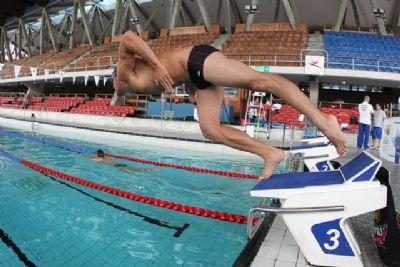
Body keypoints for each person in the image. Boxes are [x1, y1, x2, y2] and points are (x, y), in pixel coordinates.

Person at [113, 30, 347, 178]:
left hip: (196, 58)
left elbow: (128, 37)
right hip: (194, 76)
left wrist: (156, 65)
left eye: (112, 84)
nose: (114, 89)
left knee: (260, 81)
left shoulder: (124, 71)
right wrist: (190, 90)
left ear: (116, 77)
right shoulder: (131, 87)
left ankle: (323, 121)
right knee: (210, 130)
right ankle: (270, 154)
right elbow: (178, 75)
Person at [84, 149, 154, 173]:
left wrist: (83, 155)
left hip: (117, 167)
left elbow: (90, 159)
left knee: (135, 171)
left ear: (97, 155)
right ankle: (148, 169)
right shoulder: (105, 157)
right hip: (119, 164)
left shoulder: (99, 159)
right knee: (135, 169)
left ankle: (147, 170)